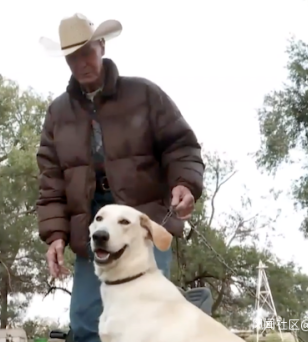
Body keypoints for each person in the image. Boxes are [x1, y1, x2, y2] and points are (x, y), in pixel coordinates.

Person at [36, 13, 205, 342]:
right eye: (72, 57)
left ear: (101, 45)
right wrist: (55, 234)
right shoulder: (58, 113)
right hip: (93, 229)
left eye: (86, 52)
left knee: (148, 320)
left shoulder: (143, 94)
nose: (81, 63)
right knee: (86, 323)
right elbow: (51, 179)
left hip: (143, 222)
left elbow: (181, 145)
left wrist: (184, 183)